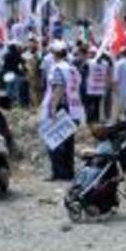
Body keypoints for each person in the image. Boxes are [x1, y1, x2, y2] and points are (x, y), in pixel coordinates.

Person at [41, 40, 84, 181]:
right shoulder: (72, 68)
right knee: (68, 142)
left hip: (61, 108)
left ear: (55, 54)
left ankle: (58, 173)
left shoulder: (57, 68)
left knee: (53, 141)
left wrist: (53, 108)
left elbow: (58, 89)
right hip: (74, 108)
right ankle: (68, 172)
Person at [84, 50, 113, 124]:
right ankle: (95, 122)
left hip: (91, 89)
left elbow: (84, 67)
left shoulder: (90, 62)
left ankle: (90, 122)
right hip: (99, 89)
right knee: (96, 107)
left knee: (90, 106)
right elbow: (108, 76)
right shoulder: (106, 64)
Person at [3, 42, 27, 107]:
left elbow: (4, 65)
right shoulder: (17, 55)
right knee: (16, 89)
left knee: (8, 88)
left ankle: (9, 102)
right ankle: (17, 103)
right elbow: (23, 62)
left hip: (7, 73)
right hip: (15, 73)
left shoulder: (6, 55)